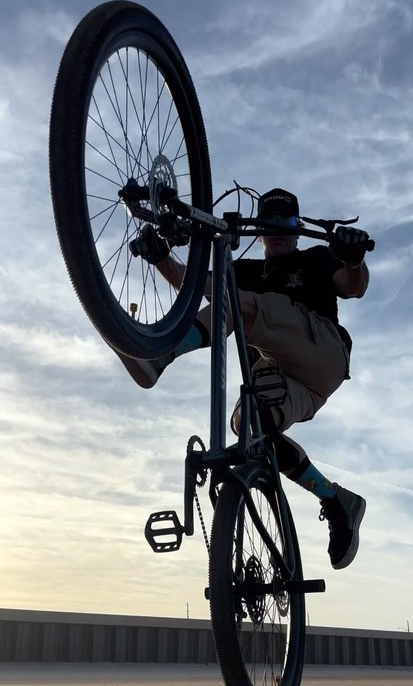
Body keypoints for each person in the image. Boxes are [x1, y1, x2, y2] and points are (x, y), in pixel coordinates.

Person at [114, 188, 371, 570]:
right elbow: (197, 285)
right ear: (260, 232)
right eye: (270, 223)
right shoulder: (247, 271)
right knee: (250, 426)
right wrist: (160, 257)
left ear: (297, 229)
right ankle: (335, 501)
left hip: (322, 355)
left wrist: (353, 260)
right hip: (286, 383)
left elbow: (354, 286)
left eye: (286, 223)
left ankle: (160, 355)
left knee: (244, 303)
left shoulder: (317, 258)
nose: (278, 231)